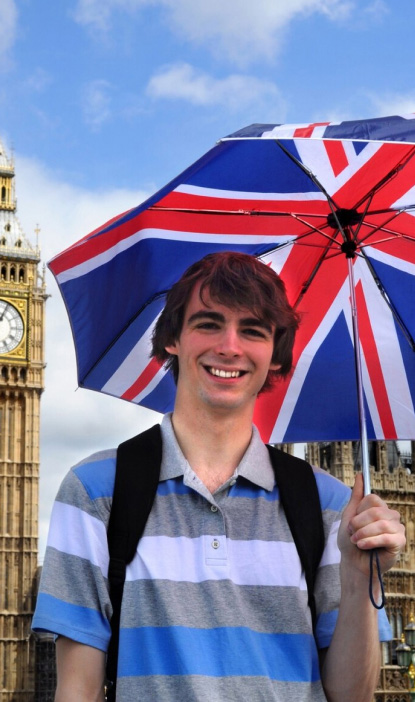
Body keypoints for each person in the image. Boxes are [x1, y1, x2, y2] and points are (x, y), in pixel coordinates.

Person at [33, 251, 405, 702]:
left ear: (275, 354)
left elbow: (351, 696)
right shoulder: (96, 491)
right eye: (208, 324)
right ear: (172, 338)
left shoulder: (329, 505)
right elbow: (78, 690)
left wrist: (358, 576)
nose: (229, 346)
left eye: (253, 330)